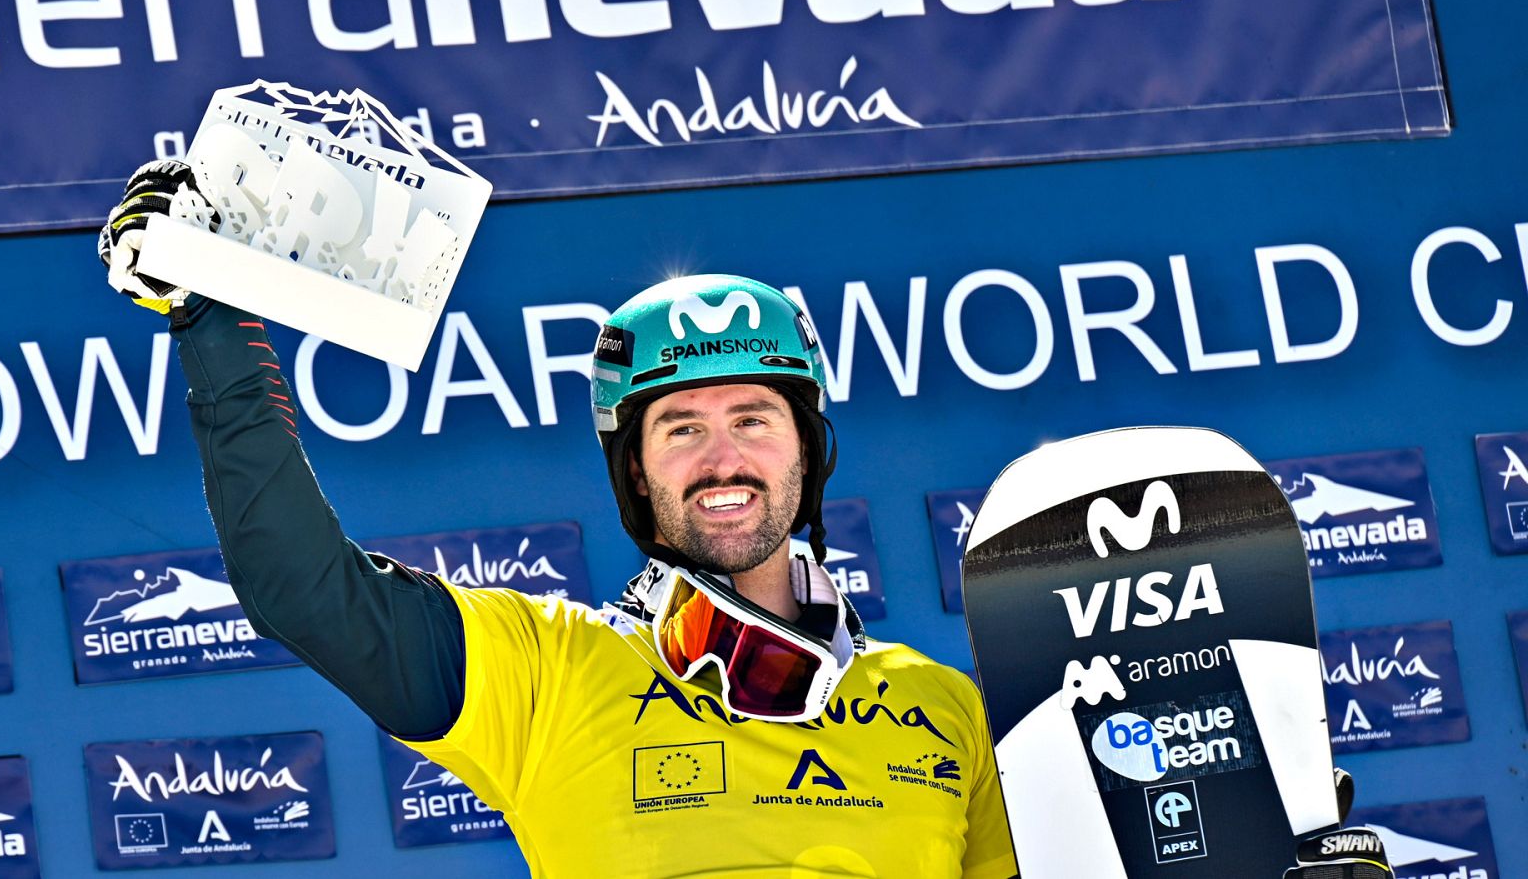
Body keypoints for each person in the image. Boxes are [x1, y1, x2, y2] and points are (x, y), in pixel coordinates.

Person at [99, 161, 1018, 877]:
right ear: (635, 470)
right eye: (680, 428)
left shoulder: (947, 710)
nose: (722, 458)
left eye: (753, 419)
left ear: (808, 450)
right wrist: (210, 316)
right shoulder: (547, 671)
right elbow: (300, 587)